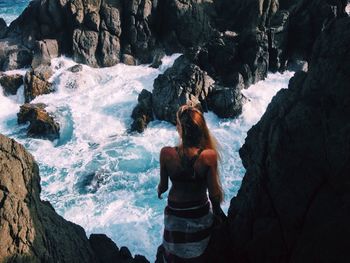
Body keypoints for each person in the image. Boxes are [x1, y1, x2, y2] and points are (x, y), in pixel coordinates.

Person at [157, 105, 226, 262]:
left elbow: (164, 186)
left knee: (173, 250)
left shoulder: (166, 153)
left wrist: (159, 191)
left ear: (180, 129)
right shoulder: (209, 156)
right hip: (198, 212)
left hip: (175, 212)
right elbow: (214, 193)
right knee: (198, 250)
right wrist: (217, 214)